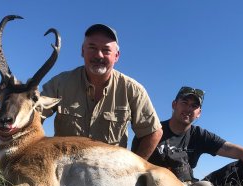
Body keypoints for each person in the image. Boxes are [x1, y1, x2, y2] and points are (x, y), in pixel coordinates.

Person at [40, 24, 162, 160]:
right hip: (64, 167)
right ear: (82, 51)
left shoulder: (133, 90)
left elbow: (154, 132)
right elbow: (32, 115)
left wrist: (134, 167)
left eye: (106, 50)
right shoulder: (59, 83)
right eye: (92, 48)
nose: (99, 55)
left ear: (116, 56)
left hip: (109, 173)